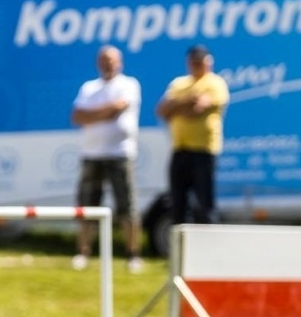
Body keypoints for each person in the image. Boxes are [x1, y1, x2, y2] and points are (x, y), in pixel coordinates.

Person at [69, 45, 143, 273]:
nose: (107, 64)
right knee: (87, 205)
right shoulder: (89, 87)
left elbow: (117, 108)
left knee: (127, 206)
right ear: (97, 63)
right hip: (92, 154)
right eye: (103, 60)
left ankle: (132, 254)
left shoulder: (129, 84)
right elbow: (77, 116)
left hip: (120, 153)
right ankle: (83, 252)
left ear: (119, 62)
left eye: (111, 60)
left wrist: (92, 114)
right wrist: (105, 112)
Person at [155, 44, 229, 227]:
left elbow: (196, 111)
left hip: (203, 151)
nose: (196, 65)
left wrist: (176, 106)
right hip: (180, 149)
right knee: (178, 203)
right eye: (193, 62)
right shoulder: (179, 83)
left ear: (208, 62)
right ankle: (181, 242)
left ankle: (208, 241)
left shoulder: (215, 83)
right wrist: (188, 100)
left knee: (204, 204)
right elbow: (162, 110)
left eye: (200, 62)